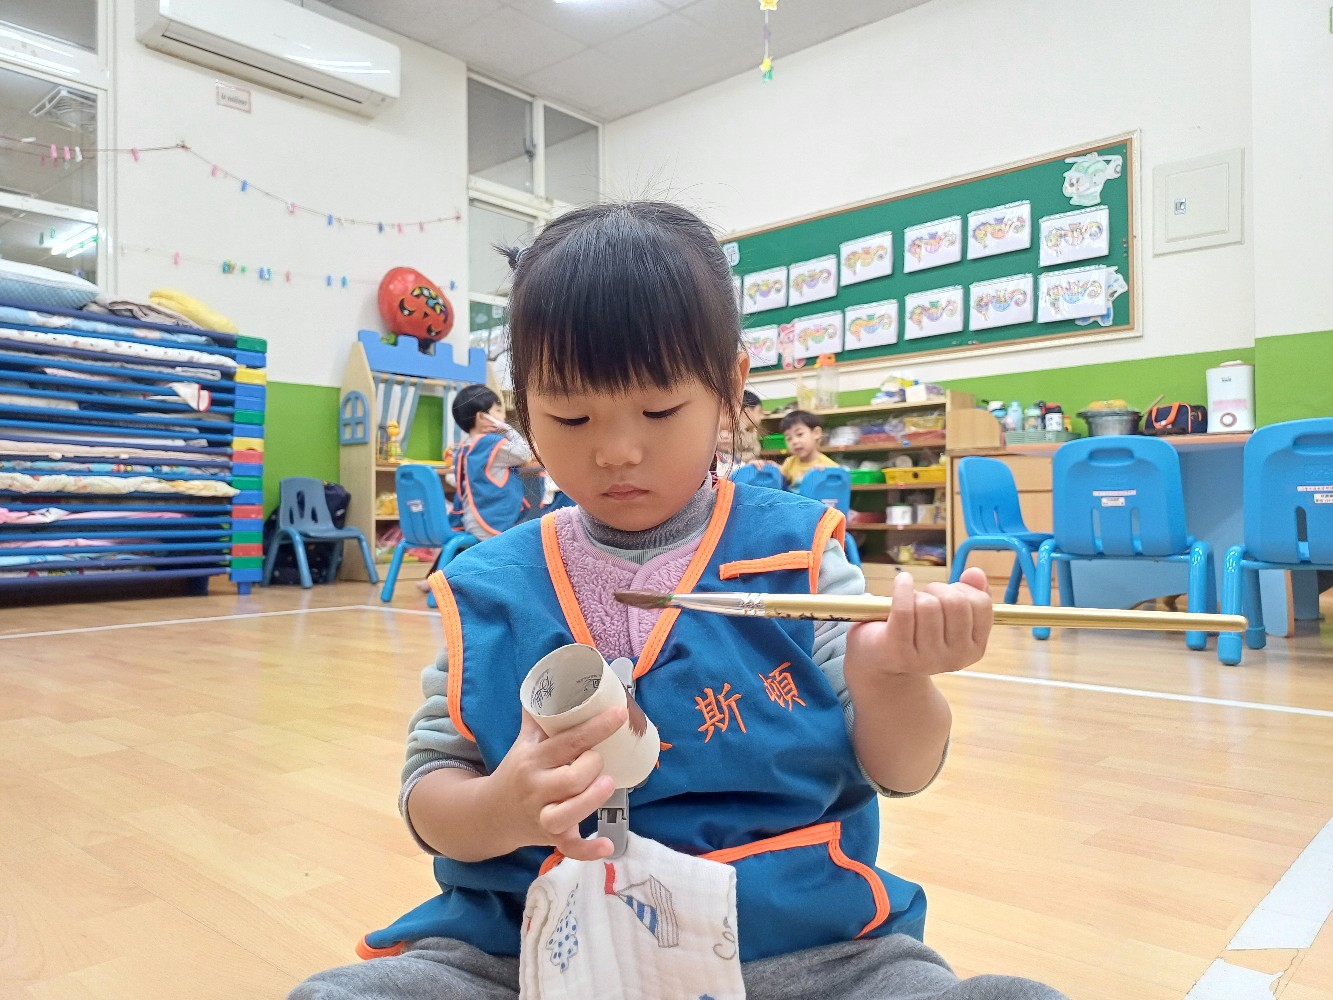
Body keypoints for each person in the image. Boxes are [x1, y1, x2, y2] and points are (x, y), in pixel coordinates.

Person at [289, 201, 1066, 1000]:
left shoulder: (799, 556)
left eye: (659, 410)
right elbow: (429, 793)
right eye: (570, 415)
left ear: (729, 388)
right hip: (524, 948)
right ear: (522, 409)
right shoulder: (491, 585)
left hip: (796, 950)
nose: (616, 450)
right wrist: (500, 807)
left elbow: (902, 771)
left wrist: (892, 679)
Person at [448, 383, 541, 542]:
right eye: (498, 411)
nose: (503, 417)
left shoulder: (464, 448)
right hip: (493, 522)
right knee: (532, 537)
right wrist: (508, 429)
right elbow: (525, 453)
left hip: (472, 521)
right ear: (482, 417)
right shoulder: (492, 444)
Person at [778, 409, 839, 487]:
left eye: (799, 434)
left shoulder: (829, 466)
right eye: (789, 438)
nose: (794, 441)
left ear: (816, 433)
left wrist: (826, 475)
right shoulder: (789, 463)